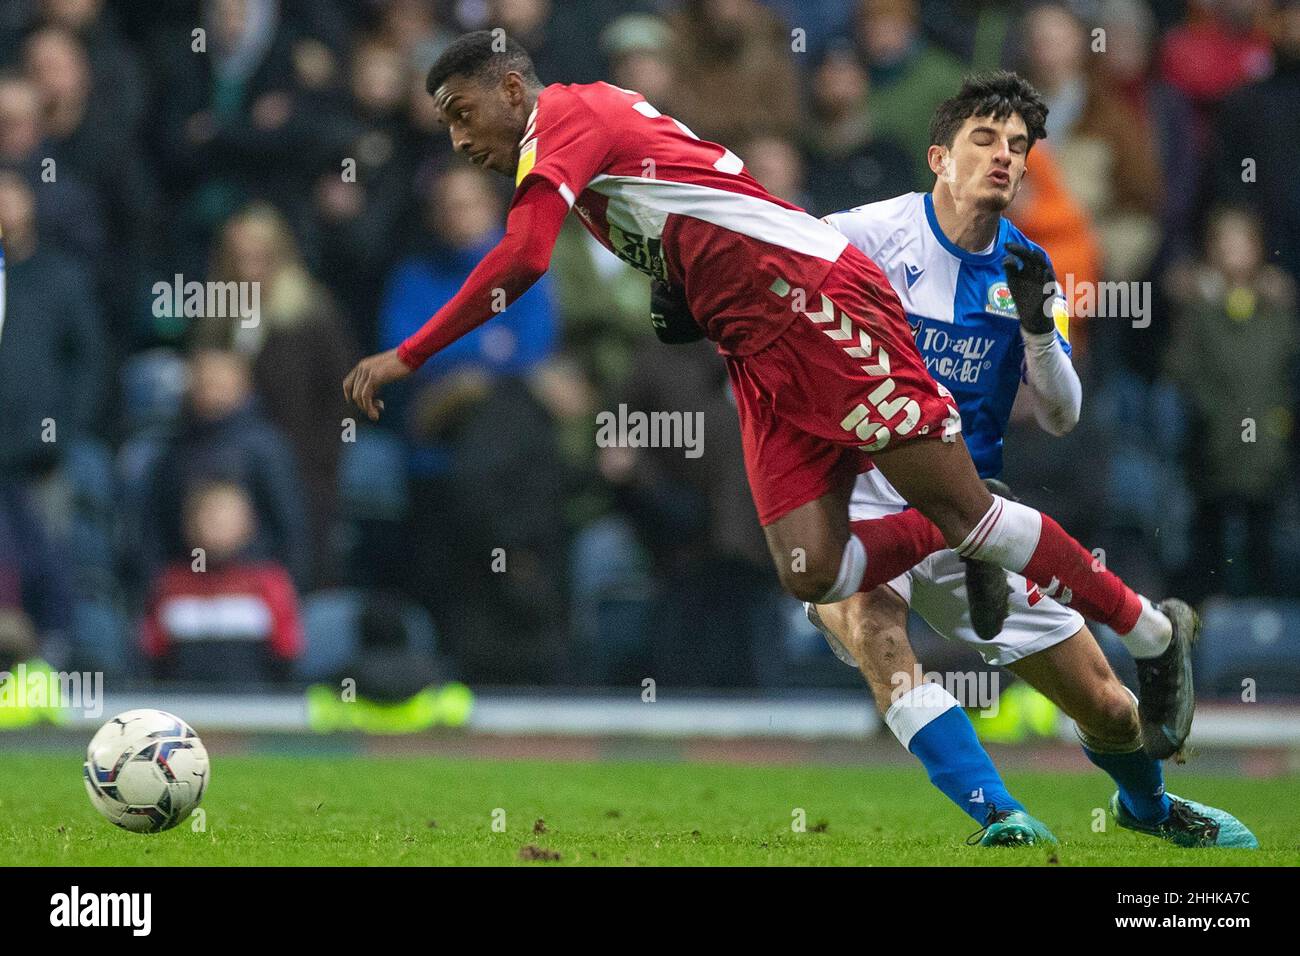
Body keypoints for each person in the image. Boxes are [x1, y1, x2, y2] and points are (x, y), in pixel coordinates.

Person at [341, 32, 1196, 764]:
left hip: (809, 304)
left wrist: (409, 356)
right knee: (809, 570)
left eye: (461, 113)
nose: (456, 140)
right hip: (758, 339)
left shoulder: (562, 118)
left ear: (512, 90)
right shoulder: (588, 128)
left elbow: (526, 259)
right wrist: (687, 284)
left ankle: (1153, 634)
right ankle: (948, 525)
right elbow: (712, 191)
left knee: (972, 517)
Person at [801, 74, 1257, 849]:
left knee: (1110, 707)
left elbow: (1061, 413)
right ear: (939, 156)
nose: (1005, 157)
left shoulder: (1026, 267)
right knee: (880, 639)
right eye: (985, 139)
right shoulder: (868, 232)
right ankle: (999, 813)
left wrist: (1043, 330)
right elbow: (774, 264)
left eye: (1018, 145)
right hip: (851, 494)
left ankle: (1147, 808)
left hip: (961, 509)